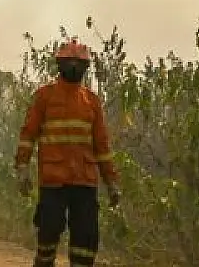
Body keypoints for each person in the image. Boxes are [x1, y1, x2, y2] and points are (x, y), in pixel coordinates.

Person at [14, 39, 122, 267]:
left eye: (79, 63)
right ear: (59, 64)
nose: (74, 66)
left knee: (86, 241)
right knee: (48, 235)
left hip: (85, 182)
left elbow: (102, 146)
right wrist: (22, 168)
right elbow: (28, 134)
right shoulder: (44, 96)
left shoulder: (92, 101)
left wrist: (111, 182)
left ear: (86, 67)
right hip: (54, 181)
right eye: (69, 62)